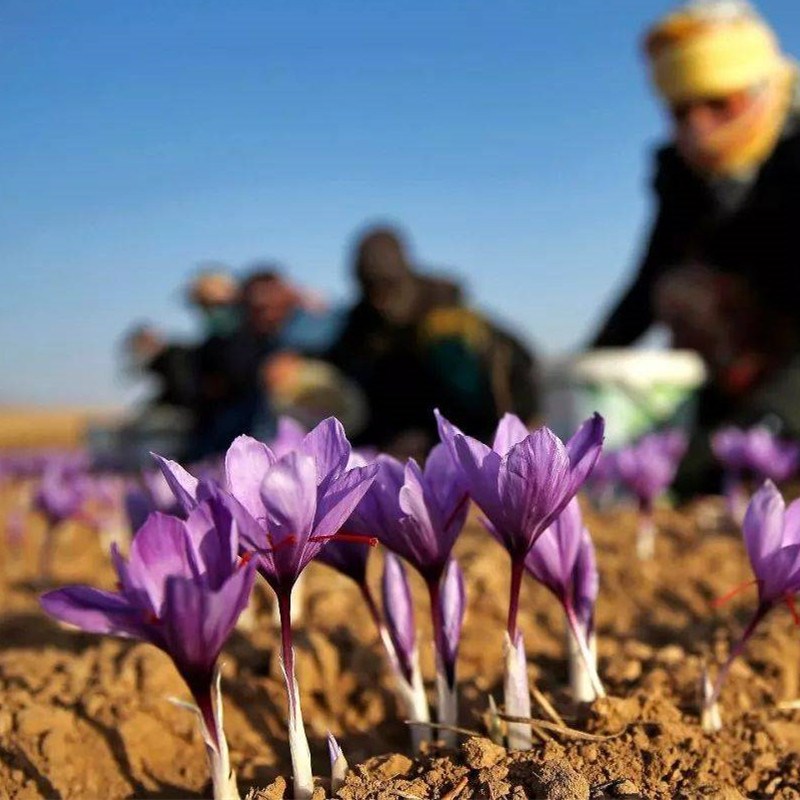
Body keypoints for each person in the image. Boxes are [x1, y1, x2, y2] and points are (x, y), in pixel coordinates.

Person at [590, 0, 800, 494]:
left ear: (762, 90)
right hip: (742, 372)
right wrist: (583, 375)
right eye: (682, 110)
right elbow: (646, 287)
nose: (699, 126)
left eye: (718, 104)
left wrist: (764, 425)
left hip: (788, 382)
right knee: (682, 288)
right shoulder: (687, 179)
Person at [327, 225, 539, 458]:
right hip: (390, 447)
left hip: (466, 446)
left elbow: (518, 363)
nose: (380, 300)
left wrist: (522, 429)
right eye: (370, 287)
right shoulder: (361, 323)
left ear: (403, 274)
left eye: (387, 285)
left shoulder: (447, 311)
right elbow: (336, 364)